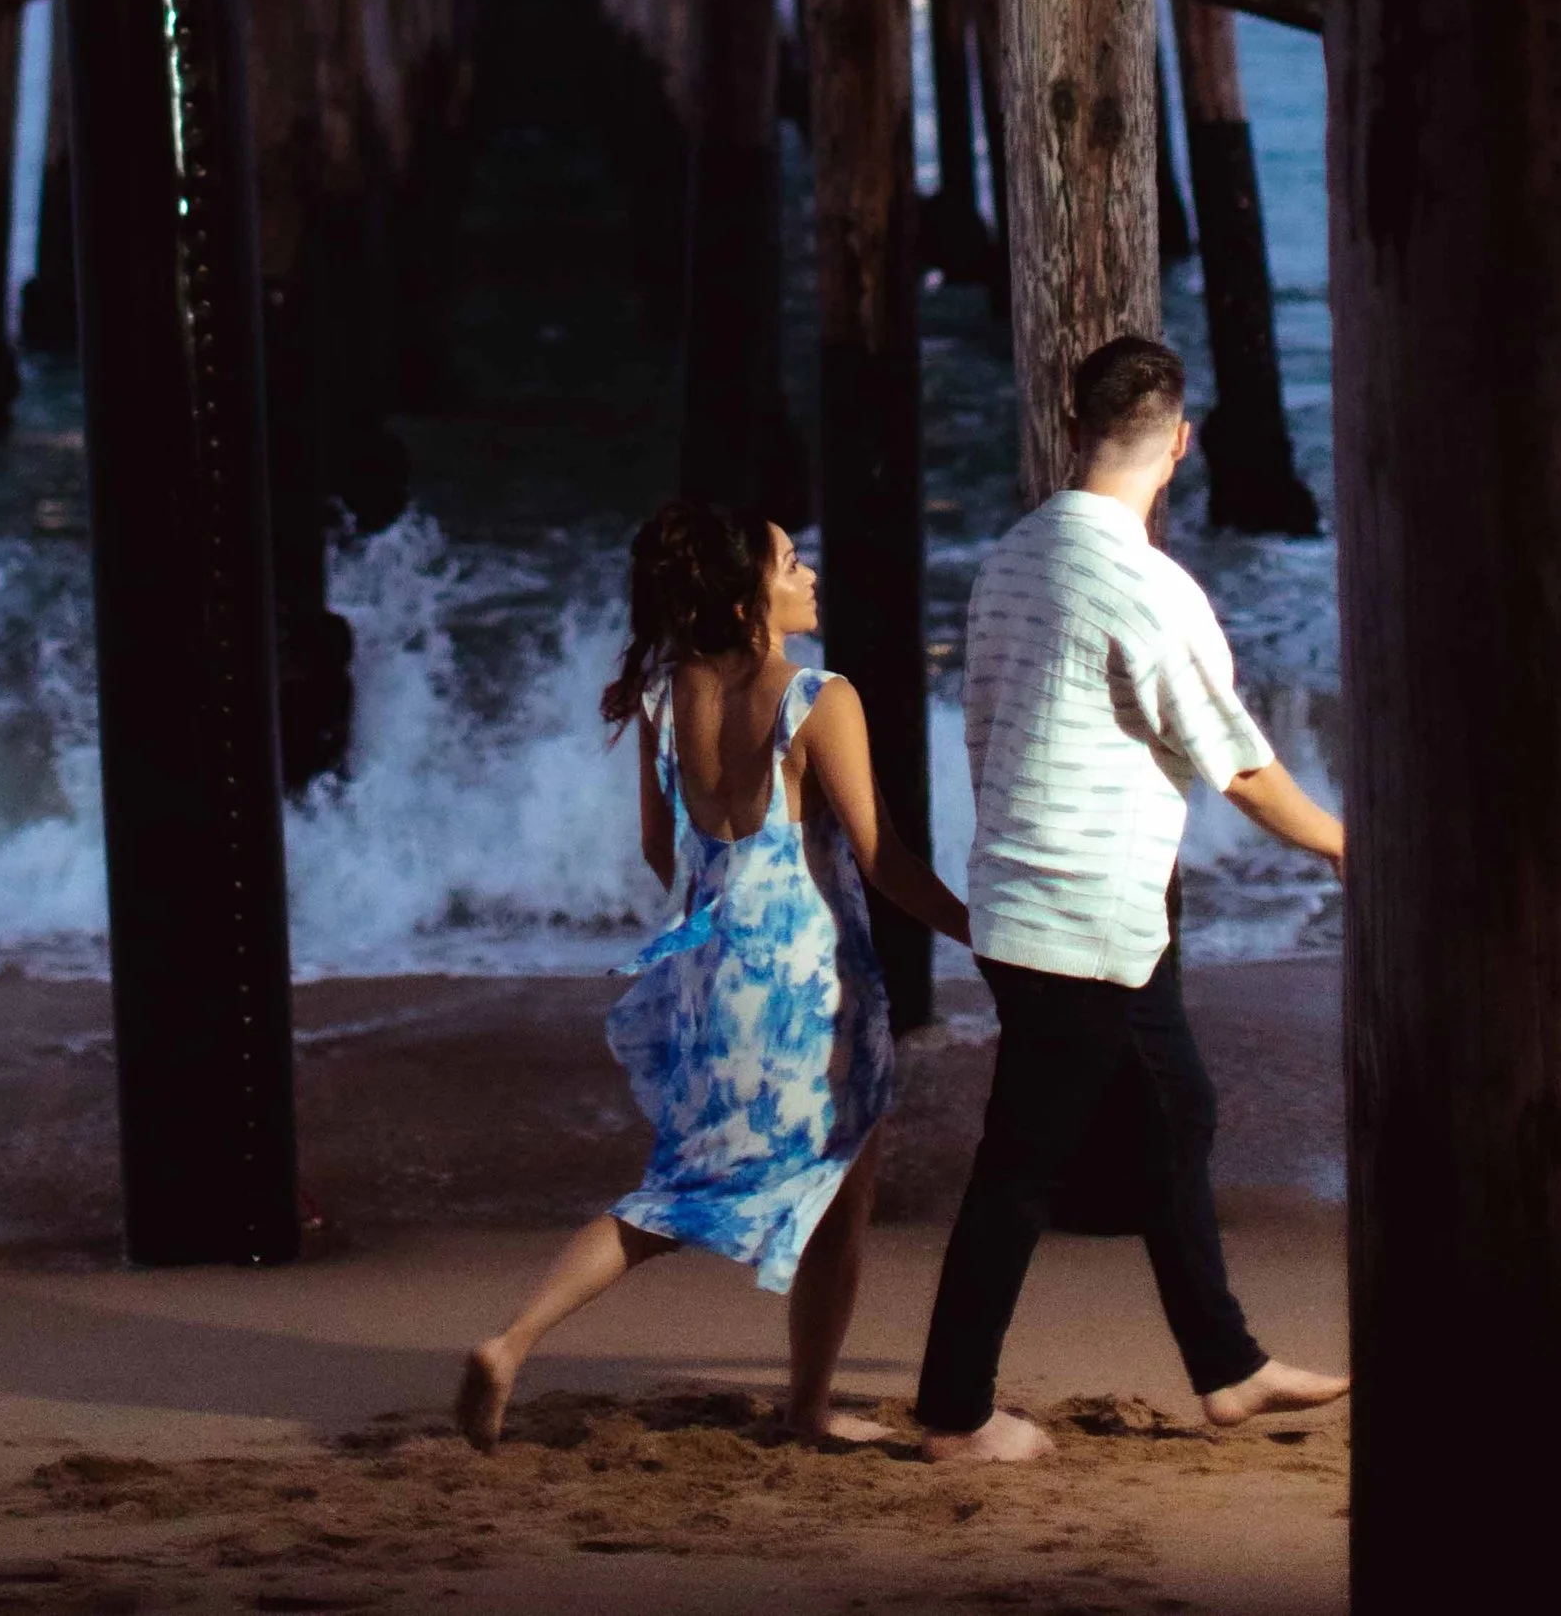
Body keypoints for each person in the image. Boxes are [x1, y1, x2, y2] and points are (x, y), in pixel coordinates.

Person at [916, 334, 1350, 1465]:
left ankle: (1229, 1368)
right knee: (1022, 1166)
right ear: (1181, 443)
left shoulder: (1010, 557)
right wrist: (1352, 847)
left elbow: (983, 726)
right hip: (1081, 910)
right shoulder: (1147, 584)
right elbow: (1241, 766)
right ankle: (954, 1413)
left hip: (1040, 896)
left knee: (1177, 1111)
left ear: (1073, 426)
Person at [457, 501, 971, 1453]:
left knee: (675, 1189)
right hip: (816, 989)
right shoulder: (819, 698)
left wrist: (726, 926)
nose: (808, 574)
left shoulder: (666, 699)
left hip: (713, 975)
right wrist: (983, 929)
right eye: (788, 563)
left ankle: (512, 1339)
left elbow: (666, 854)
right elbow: (884, 860)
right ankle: (809, 1410)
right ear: (747, 601)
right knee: (845, 1188)